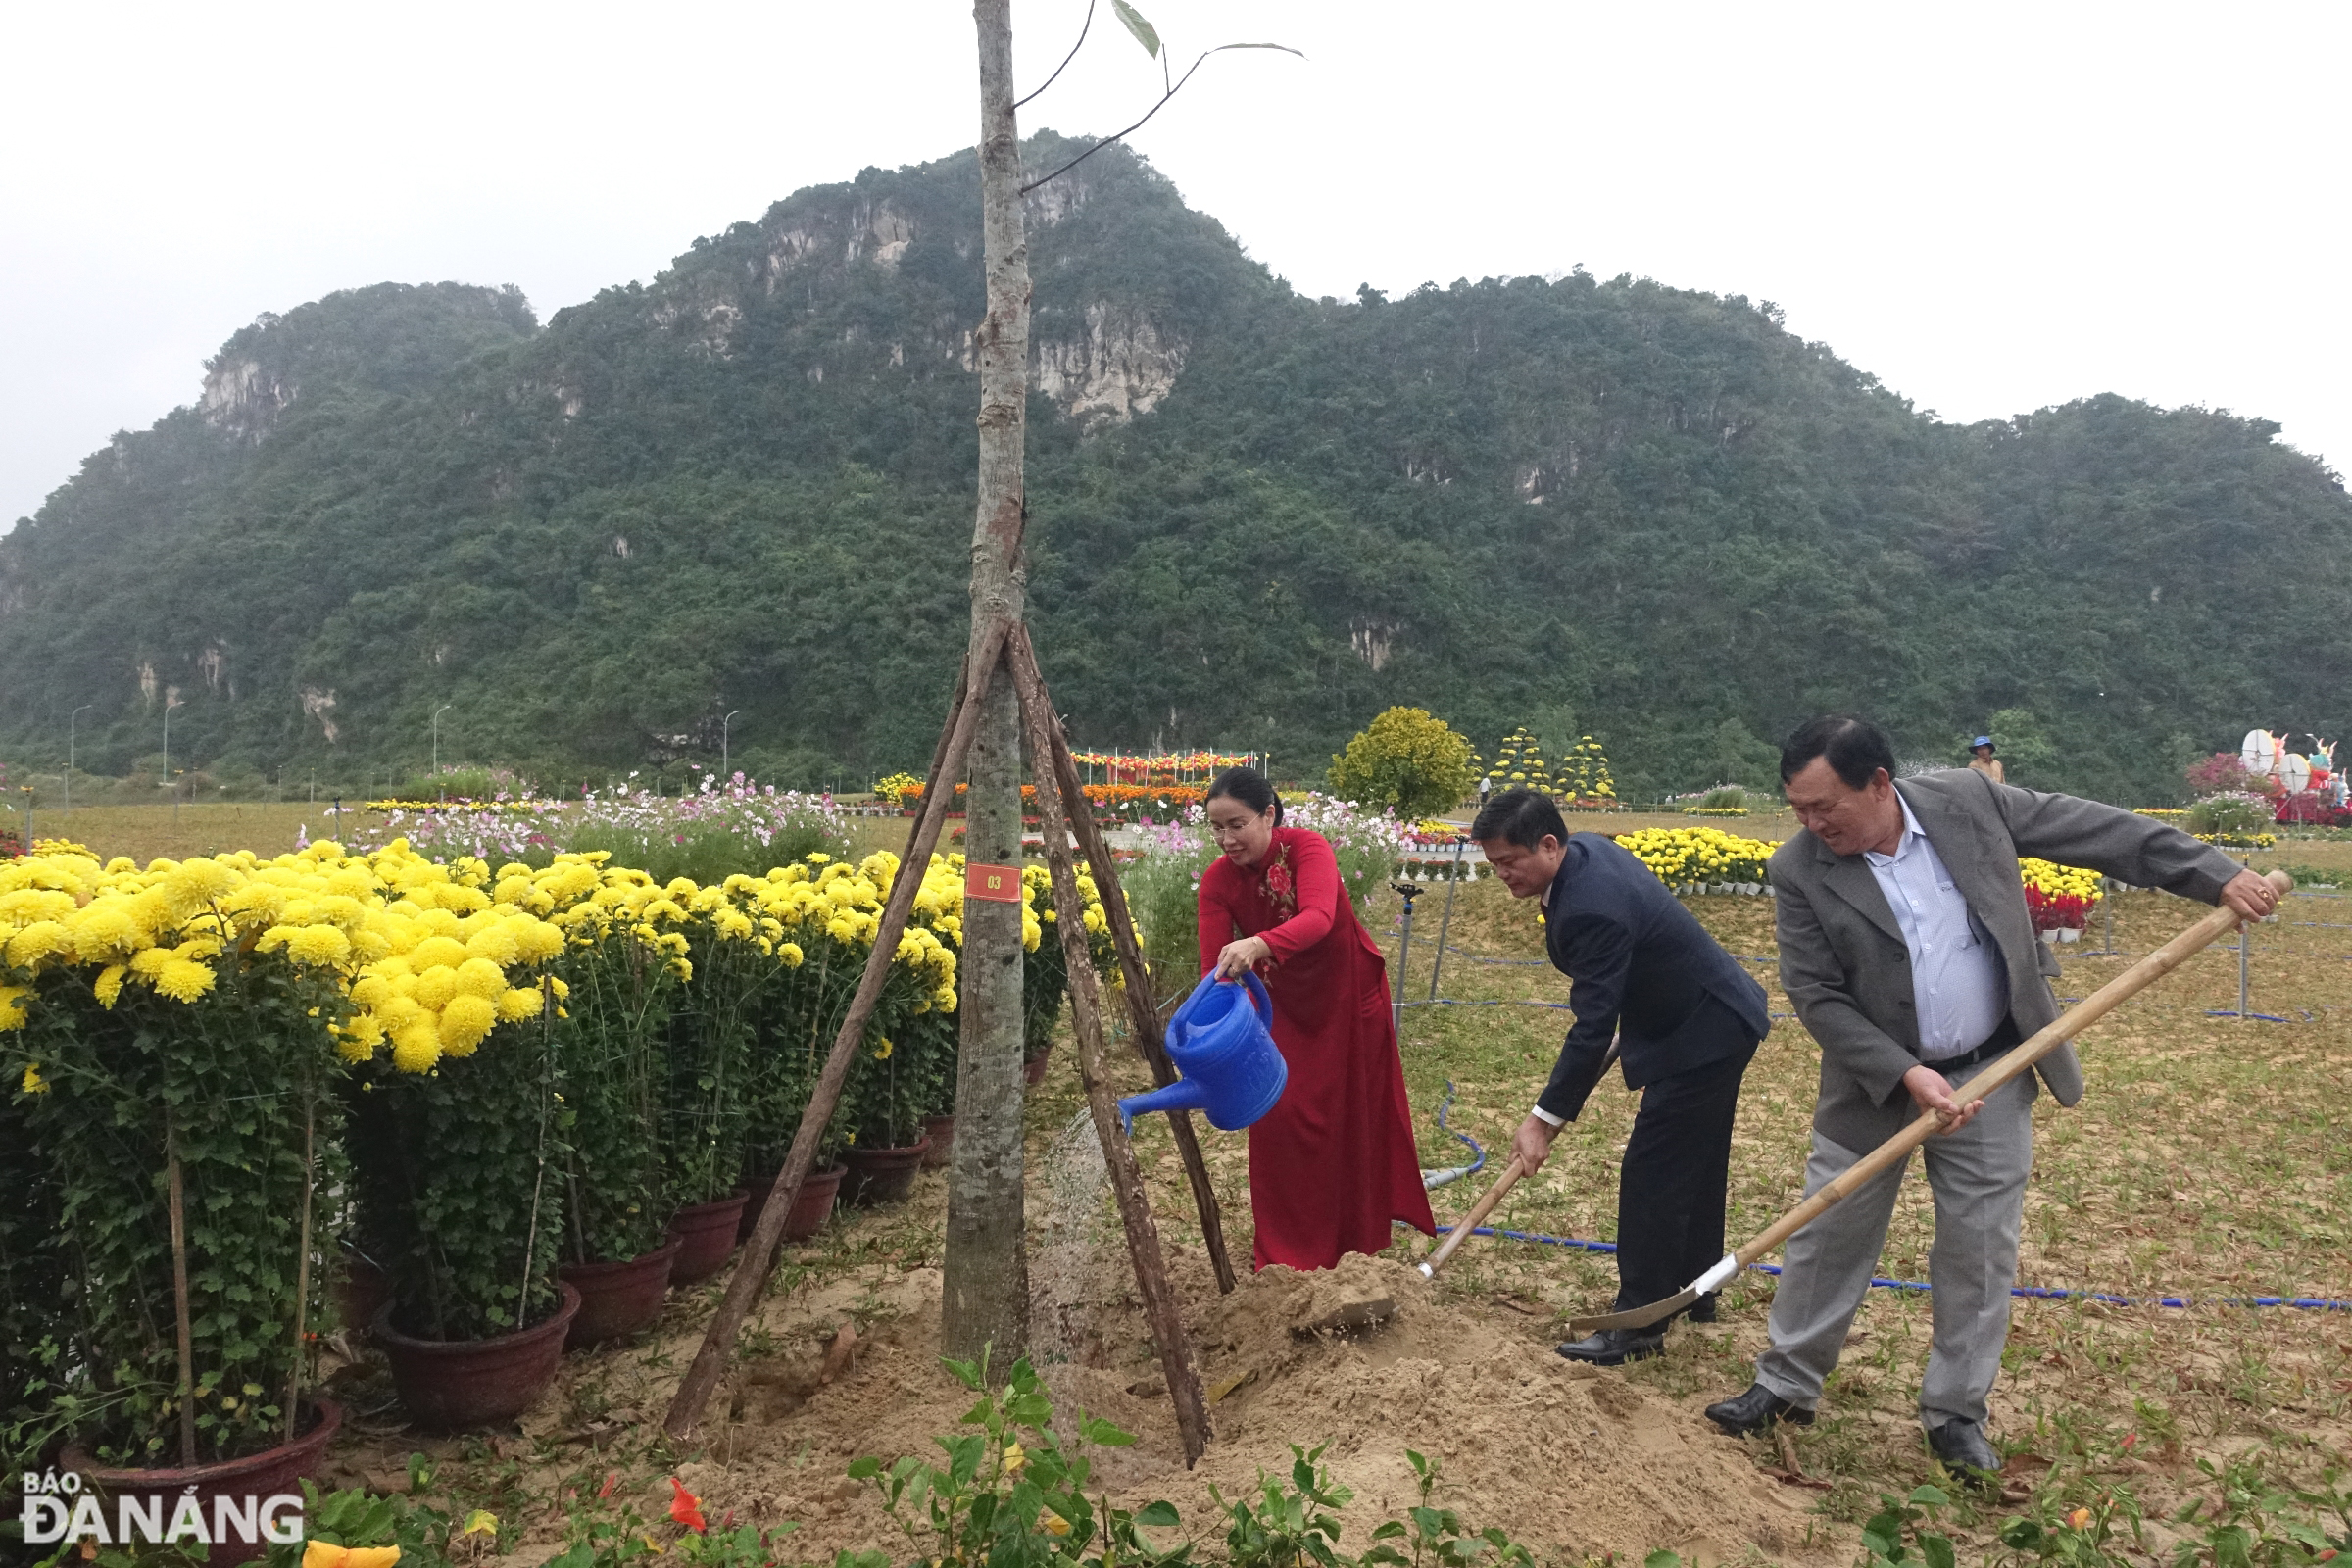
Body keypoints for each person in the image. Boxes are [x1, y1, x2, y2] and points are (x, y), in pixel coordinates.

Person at [1704, 717, 2279, 1476]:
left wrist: (2210, 872)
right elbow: (1817, 996)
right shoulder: (1801, 870)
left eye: (1825, 807)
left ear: (1880, 783)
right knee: (1829, 1235)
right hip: (1878, 1083)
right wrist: (1907, 1074)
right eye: (1799, 810)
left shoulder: (1968, 803)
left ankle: (1954, 1414)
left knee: (1979, 1252)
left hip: (1995, 1069)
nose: (1812, 825)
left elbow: (2097, 832)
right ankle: (1785, 1384)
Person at [1475, 787, 1772, 1364]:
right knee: (1697, 1162)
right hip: (1711, 1013)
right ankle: (1697, 1289)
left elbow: (1591, 1026)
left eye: (1510, 862)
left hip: (1703, 1031)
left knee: (1655, 1172)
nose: (1503, 875)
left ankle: (1640, 1323)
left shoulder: (1589, 907)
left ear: (1550, 844)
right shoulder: (1585, 854)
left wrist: (1543, 1118)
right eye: (1493, 865)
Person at [1199, 767, 1437, 1269]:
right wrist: (1212, 1031)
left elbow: (1319, 918)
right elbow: (1213, 971)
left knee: (1351, 1117)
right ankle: (1287, 1255)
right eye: (1215, 828)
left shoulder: (1307, 849)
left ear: (1268, 814)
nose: (1225, 840)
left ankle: (1355, 1244)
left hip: (1346, 998)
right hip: (1278, 1007)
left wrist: (1259, 943)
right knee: (1280, 1117)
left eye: (1236, 824)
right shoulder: (1218, 881)